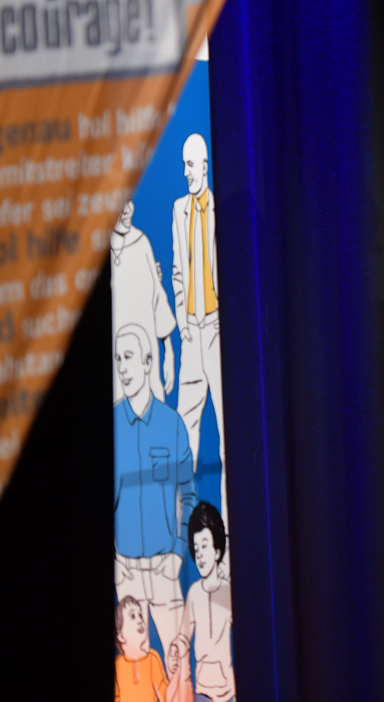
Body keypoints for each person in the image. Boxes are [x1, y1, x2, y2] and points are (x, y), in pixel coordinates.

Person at [114, 324, 196, 661]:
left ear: (148, 362)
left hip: (166, 568)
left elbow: (189, 496)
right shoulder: (111, 425)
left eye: (128, 357)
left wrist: (178, 552)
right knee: (131, 673)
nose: (122, 367)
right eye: (117, 359)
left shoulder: (172, 424)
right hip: (126, 573)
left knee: (179, 668)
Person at [171, 133, 225, 519]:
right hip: (191, 333)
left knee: (227, 435)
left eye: (191, 165)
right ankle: (180, 529)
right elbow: (178, 271)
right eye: (184, 166)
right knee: (183, 438)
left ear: (205, 166)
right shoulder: (179, 210)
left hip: (218, 331)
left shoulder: (221, 208)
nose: (186, 172)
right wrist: (182, 322)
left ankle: (231, 528)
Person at [111, 200, 178, 406]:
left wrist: (169, 352)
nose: (126, 210)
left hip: (147, 364)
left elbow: (158, 297)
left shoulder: (141, 243)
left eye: (128, 201)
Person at [171, 502, 235, 702]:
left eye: (205, 546)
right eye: (196, 548)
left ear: (217, 551)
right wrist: (176, 648)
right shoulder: (194, 593)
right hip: (202, 693)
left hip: (229, 692)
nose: (199, 554)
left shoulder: (229, 591)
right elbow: (184, 635)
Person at [115, 595, 178, 702]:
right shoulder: (118, 664)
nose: (140, 620)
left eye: (140, 615)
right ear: (121, 636)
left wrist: (176, 673)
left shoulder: (152, 659)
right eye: (133, 616)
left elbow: (164, 694)